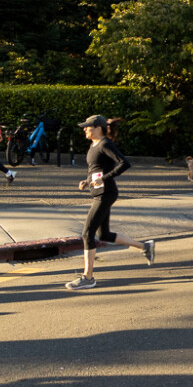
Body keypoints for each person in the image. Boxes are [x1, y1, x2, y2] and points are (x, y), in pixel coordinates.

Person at [65, 115, 153, 290]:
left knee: (87, 234)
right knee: (103, 235)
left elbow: (124, 163)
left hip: (106, 193)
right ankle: (145, 247)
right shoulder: (94, 145)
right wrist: (87, 180)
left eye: (87, 126)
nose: (84, 129)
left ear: (98, 128)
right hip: (99, 192)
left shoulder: (105, 144)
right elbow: (97, 169)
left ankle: (88, 277)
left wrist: (103, 179)